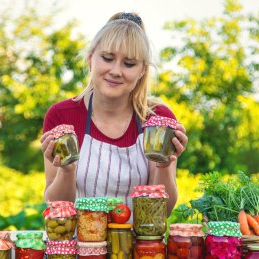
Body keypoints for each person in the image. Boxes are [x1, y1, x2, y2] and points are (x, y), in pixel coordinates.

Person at [40, 12, 188, 216]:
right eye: (107, 58)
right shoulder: (62, 116)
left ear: (142, 71)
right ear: (90, 58)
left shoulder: (157, 120)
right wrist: (67, 170)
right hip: (76, 246)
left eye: (129, 64)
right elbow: (56, 208)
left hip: (140, 246)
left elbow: (163, 212)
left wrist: (164, 166)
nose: (116, 71)